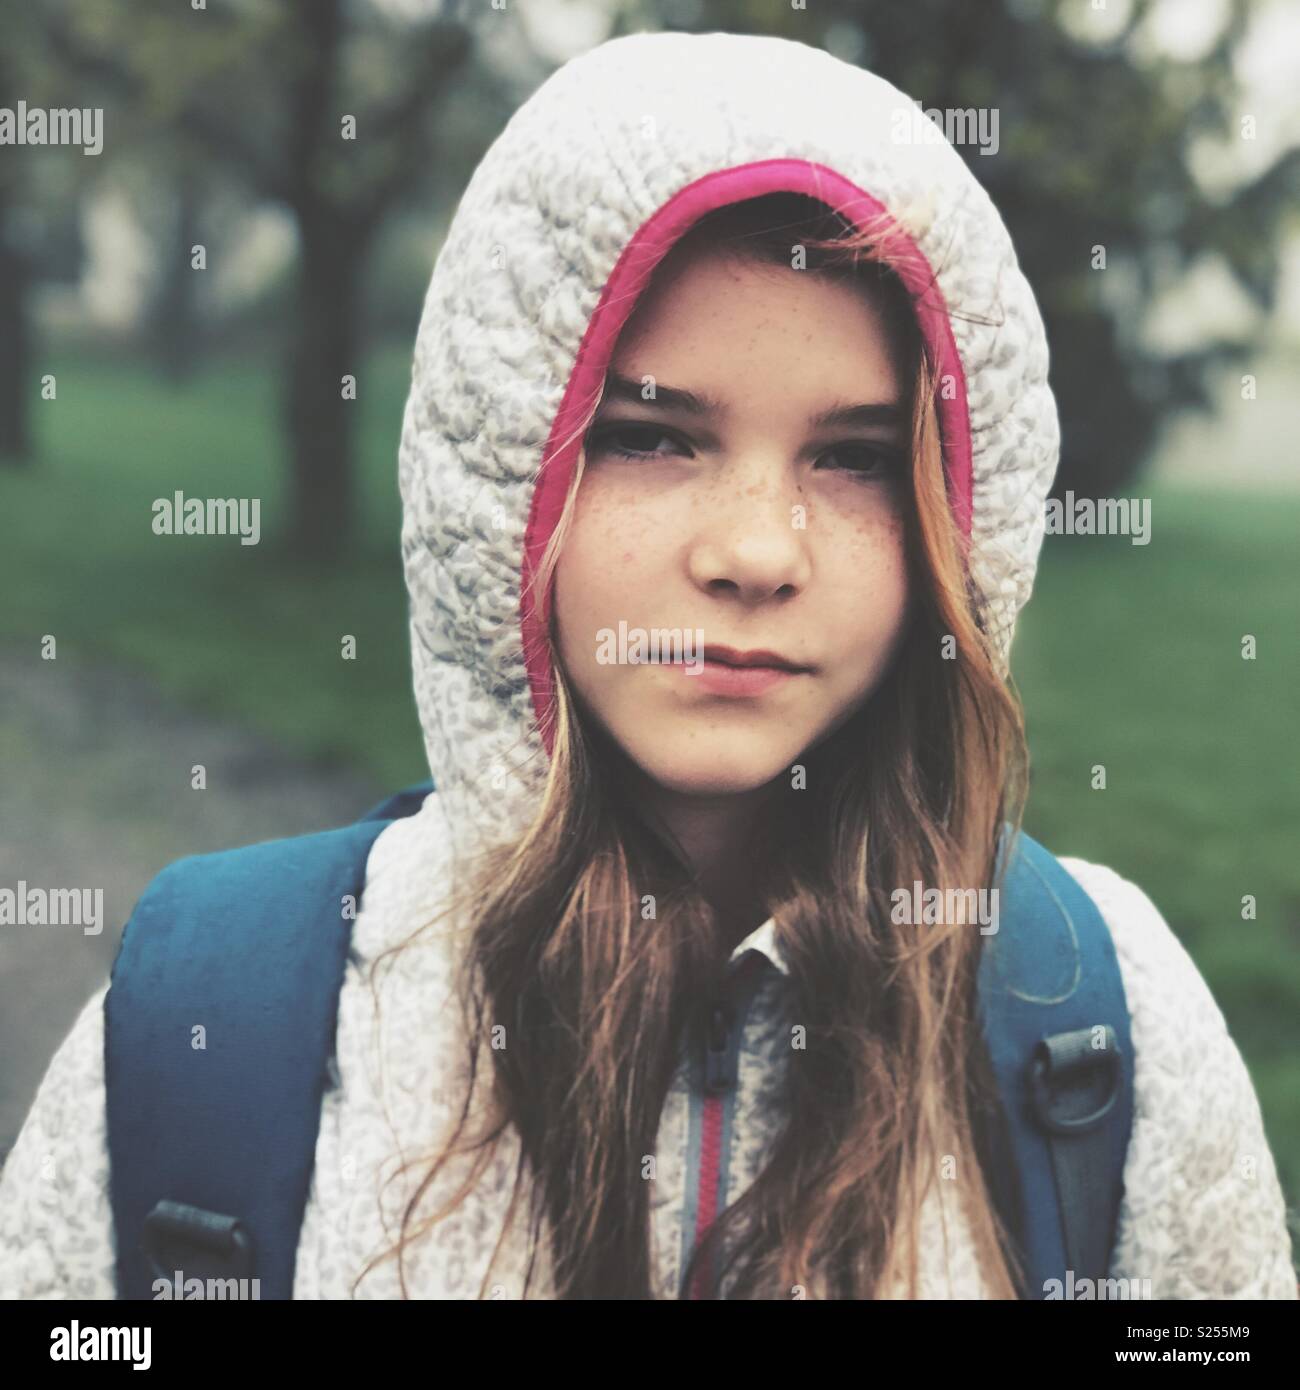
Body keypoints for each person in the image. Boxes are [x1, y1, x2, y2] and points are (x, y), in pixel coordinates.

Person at [0, 30, 1294, 1301]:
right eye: (652, 437)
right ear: (502, 462)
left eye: (850, 458)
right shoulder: (210, 1021)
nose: (752, 552)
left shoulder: (1097, 1026)